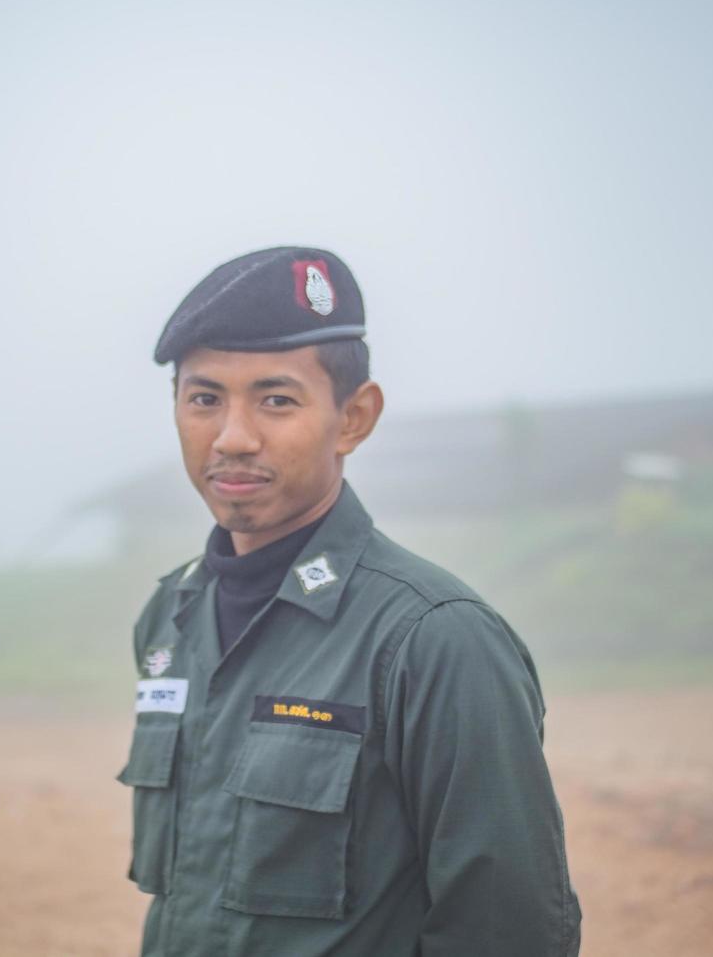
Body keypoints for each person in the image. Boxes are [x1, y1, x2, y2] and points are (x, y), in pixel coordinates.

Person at [119, 247, 581, 955]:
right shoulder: (171, 618)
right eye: (204, 398)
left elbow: (507, 930)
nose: (233, 437)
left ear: (353, 419)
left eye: (277, 399)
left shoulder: (434, 640)